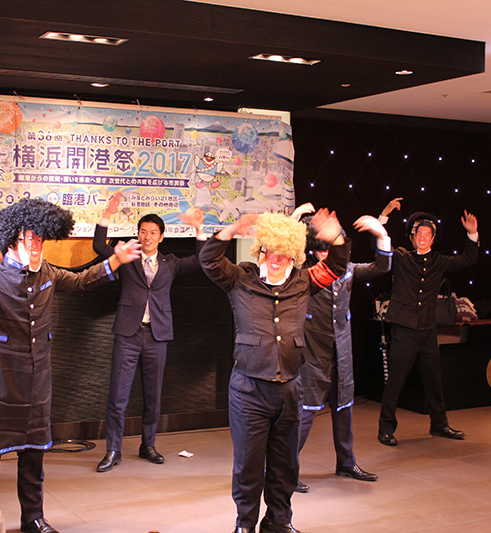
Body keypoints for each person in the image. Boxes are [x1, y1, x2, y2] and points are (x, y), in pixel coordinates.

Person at [0, 198, 141, 533]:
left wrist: (115, 260)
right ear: (14, 239)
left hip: (37, 381)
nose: (37, 244)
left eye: (41, 238)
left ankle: (33, 518)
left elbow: (81, 281)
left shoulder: (48, 273)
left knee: (34, 455)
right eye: (31, 238)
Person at [200, 208, 369, 533]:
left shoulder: (304, 282)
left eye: (283, 253)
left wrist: (335, 237)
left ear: (294, 256)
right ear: (261, 251)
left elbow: (337, 266)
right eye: (270, 251)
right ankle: (245, 524)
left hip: (290, 389)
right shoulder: (240, 279)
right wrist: (230, 230)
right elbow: (209, 261)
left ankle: (278, 521)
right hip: (248, 391)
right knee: (249, 467)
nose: (276, 258)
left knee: (286, 465)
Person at [94, 192, 206, 472]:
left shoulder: (171, 263)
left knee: (153, 395)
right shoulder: (128, 257)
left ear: (161, 237)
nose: (147, 237)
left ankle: (148, 445)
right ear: (138, 234)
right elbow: (98, 246)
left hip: (157, 336)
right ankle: (113, 450)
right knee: (118, 395)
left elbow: (202, 260)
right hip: (128, 335)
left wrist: (199, 229)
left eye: (153, 232)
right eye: (143, 231)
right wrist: (107, 214)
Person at [296, 211, 391, 493]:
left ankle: (346, 463)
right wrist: (297, 218)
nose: (324, 253)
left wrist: (381, 234)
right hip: (312, 352)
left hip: (342, 350)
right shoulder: (302, 273)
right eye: (319, 247)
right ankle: (281, 468)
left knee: (344, 406)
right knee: (305, 412)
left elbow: (381, 266)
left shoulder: (347, 269)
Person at [377, 198, 479, 446]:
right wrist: (384, 215)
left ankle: (439, 424)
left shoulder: (439, 261)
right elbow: (380, 244)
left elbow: (469, 258)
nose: (422, 237)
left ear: (433, 238)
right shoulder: (401, 257)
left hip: (427, 330)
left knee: (434, 379)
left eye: (427, 234)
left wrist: (472, 234)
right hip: (404, 329)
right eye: (419, 234)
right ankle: (386, 428)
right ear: (412, 237)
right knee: (395, 381)